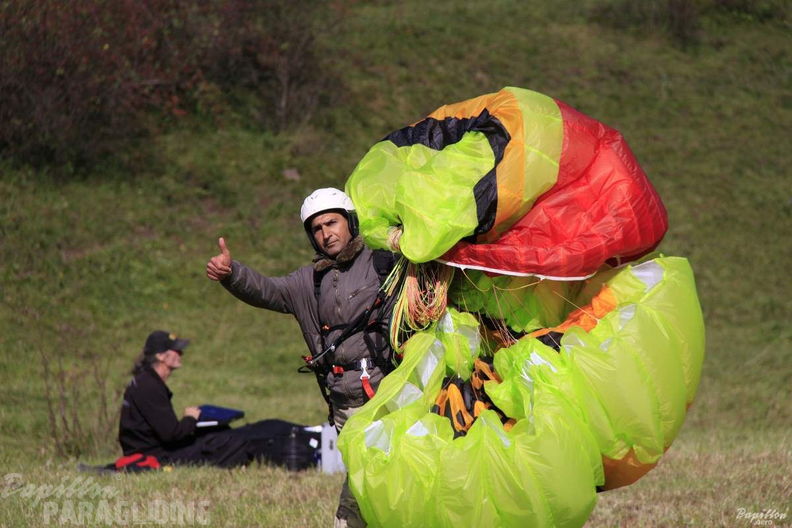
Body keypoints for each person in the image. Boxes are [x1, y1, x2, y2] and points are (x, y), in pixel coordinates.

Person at [206, 187, 396, 528]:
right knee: (365, 477)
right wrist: (232, 273)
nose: (326, 234)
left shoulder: (382, 264)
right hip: (344, 401)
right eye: (317, 229)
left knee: (386, 474)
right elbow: (267, 290)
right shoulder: (308, 282)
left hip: (390, 393)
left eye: (332, 223)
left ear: (350, 222)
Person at [118, 330, 252, 468]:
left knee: (218, 433)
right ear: (160, 356)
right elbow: (171, 435)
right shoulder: (149, 386)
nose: (181, 354)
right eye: (176, 350)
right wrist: (191, 418)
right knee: (229, 441)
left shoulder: (145, 381)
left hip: (151, 450)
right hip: (155, 456)